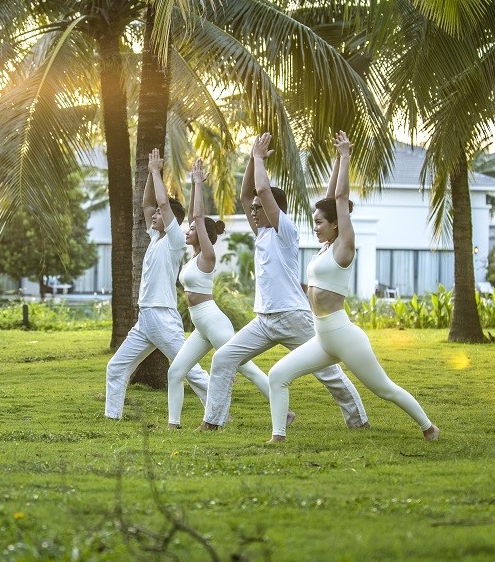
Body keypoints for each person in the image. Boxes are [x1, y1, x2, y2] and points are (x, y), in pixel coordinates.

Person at [266, 131, 439, 443]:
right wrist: (335, 161)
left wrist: (346, 158)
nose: (315, 226)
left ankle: (429, 427)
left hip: (343, 336)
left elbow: (340, 201)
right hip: (322, 338)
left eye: (320, 222)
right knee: (278, 375)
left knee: (384, 389)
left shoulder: (344, 246)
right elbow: (333, 200)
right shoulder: (326, 246)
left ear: (336, 224)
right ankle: (278, 437)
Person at [198, 133, 369, 431]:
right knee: (224, 358)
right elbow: (247, 194)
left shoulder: (284, 229)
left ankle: (359, 421)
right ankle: (213, 422)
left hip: (292, 316)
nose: (252, 211)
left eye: (258, 208)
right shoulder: (262, 232)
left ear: (274, 209)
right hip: (264, 319)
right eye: (252, 209)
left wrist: (261, 158)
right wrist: (252, 158)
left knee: (328, 372)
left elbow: (262, 189)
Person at [166, 158, 289, 429]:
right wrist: (194, 186)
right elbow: (193, 218)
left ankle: (285, 413)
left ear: (203, 234)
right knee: (175, 371)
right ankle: (173, 424)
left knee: (246, 368)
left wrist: (197, 183)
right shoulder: (192, 257)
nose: (188, 231)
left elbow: (197, 218)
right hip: (201, 325)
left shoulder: (207, 255)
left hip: (213, 321)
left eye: (192, 230)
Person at [105, 148, 209, 420]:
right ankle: (112, 417)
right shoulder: (155, 237)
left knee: (190, 370)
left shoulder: (175, 240)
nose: (153, 217)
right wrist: (152, 176)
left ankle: (219, 411)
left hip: (163, 317)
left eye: (160, 216)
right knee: (116, 367)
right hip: (145, 319)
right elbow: (148, 205)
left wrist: (155, 171)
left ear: (172, 220)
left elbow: (162, 206)